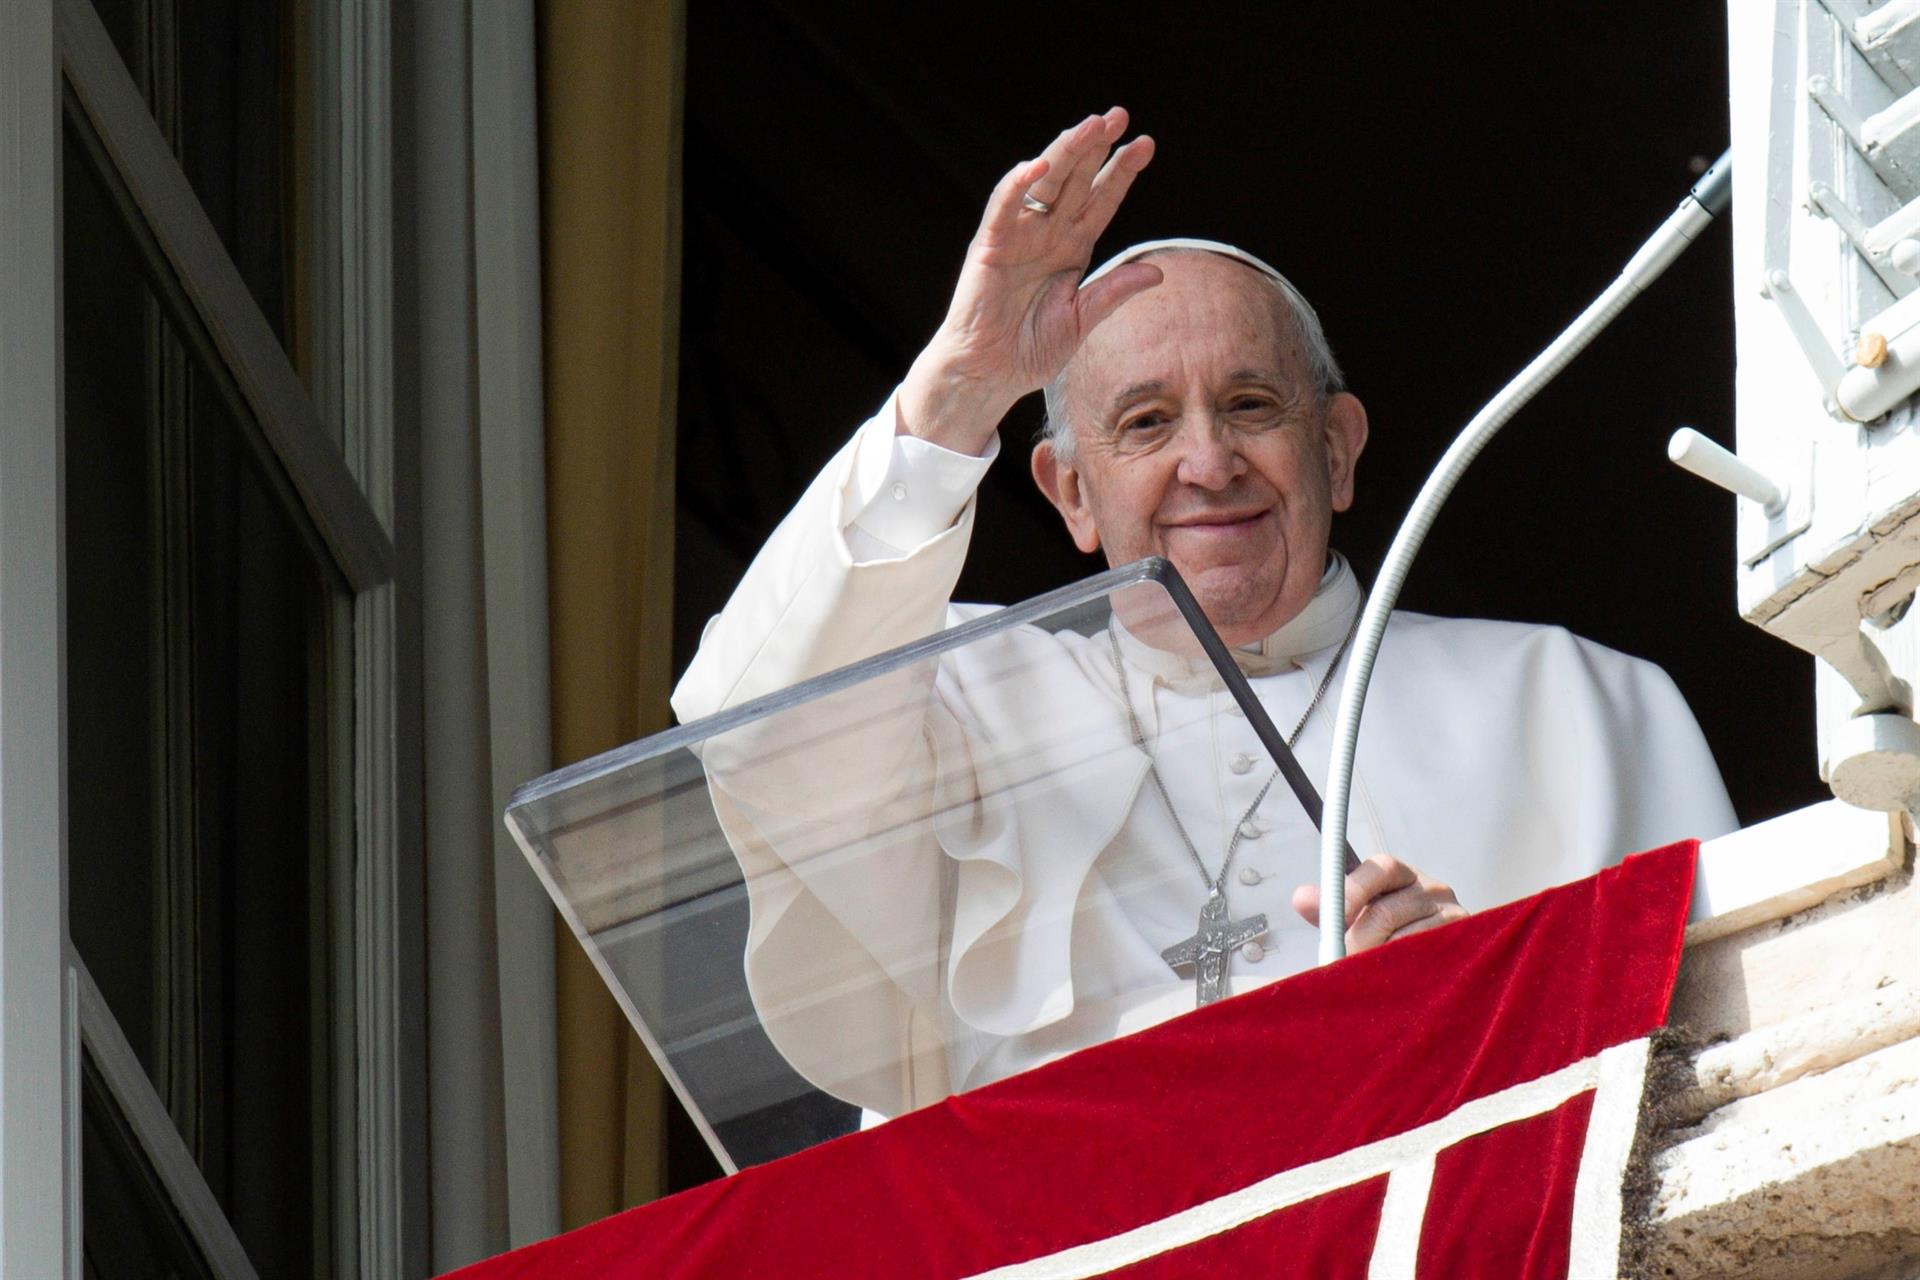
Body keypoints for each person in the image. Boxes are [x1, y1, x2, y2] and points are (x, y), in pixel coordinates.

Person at [672, 107, 1736, 1118]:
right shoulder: (971, 707)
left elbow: (1731, 1067)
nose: (1208, 461)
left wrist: (1493, 1016)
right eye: (1144, 422)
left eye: (1250, 404)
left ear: (1338, 448)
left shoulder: (1577, 703)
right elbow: (752, 725)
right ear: (1071, 495)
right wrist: (957, 388)